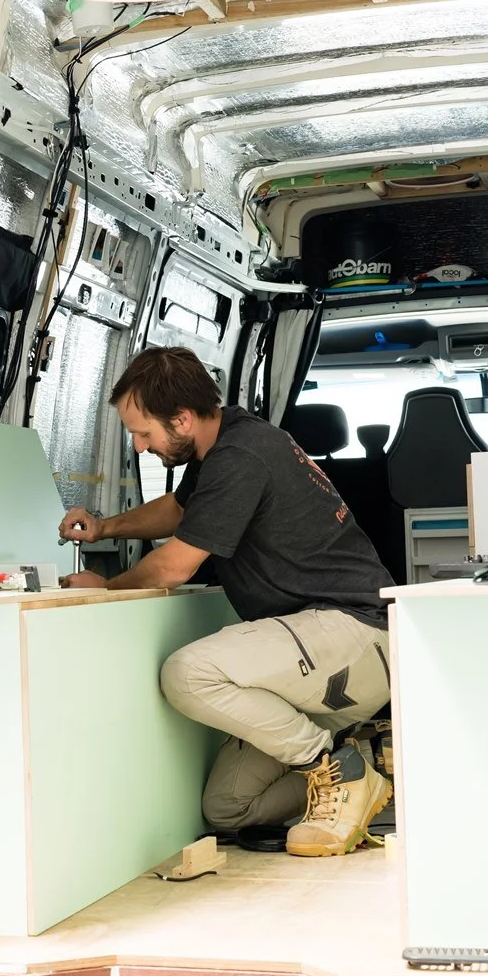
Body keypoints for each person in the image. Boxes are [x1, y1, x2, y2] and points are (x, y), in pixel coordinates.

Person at [58, 345, 396, 855]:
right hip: (322, 659)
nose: (139, 444)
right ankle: (363, 760)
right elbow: (179, 509)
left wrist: (105, 589)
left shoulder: (241, 456)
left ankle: (334, 768)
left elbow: (175, 565)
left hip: (352, 632)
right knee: (228, 809)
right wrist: (106, 527)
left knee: (186, 674)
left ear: (184, 418)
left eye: (143, 432)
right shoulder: (225, 443)